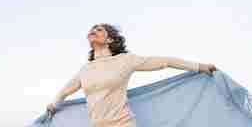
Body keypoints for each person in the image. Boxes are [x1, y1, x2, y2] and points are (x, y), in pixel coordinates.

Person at [46, 23, 217, 127]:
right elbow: (64, 92)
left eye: (99, 30)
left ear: (110, 40)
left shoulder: (126, 60)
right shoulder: (85, 70)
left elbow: (165, 61)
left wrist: (199, 67)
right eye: (92, 29)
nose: (93, 31)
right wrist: (53, 105)